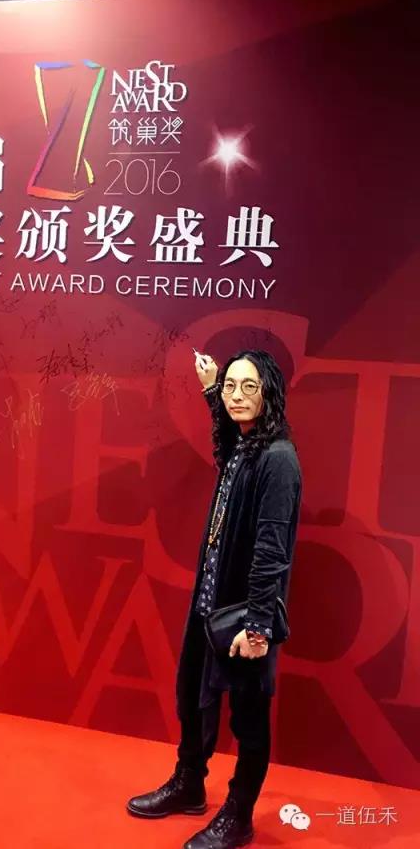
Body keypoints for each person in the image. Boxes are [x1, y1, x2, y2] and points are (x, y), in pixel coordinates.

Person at [126, 349, 302, 849]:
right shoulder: (245, 446)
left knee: (248, 719)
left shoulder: (278, 460)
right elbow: (224, 447)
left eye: (249, 386)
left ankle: (239, 816)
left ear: (269, 392)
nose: (237, 396)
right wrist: (210, 389)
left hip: (245, 616)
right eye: (230, 387)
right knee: (192, 696)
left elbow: (271, 551)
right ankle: (189, 784)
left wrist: (259, 627)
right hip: (210, 604)